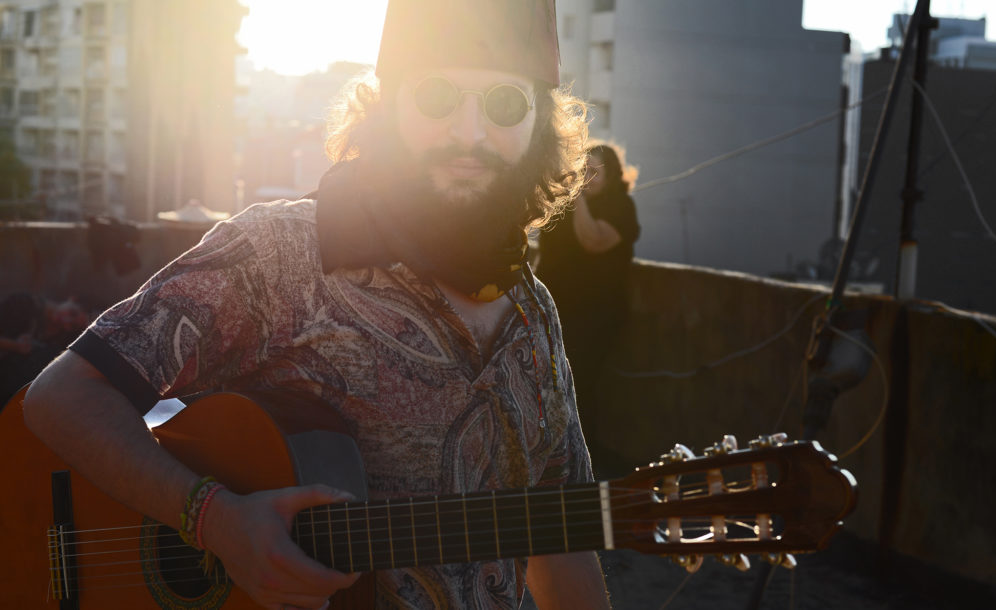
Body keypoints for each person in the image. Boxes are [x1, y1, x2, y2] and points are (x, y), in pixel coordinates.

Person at [23, 1, 611, 609]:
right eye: (436, 96)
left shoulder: (532, 314)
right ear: (387, 108)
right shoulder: (277, 255)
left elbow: (558, 536)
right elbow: (62, 397)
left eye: (505, 104)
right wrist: (215, 522)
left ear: (541, 124)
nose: (468, 133)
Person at [536, 142, 640, 421]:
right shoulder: (565, 204)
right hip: (556, 310)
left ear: (611, 176)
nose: (586, 177)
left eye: (593, 172)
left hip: (596, 314)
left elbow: (592, 240)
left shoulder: (621, 207)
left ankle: (584, 454)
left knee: (581, 382)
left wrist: (578, 195)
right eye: (583, 170)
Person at [0, 292, 89, 405]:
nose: (66, 321)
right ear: (72, 299)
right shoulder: (23, 304)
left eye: (73, 326)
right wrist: (14, 345)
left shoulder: (58, 343)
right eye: (72, 313)